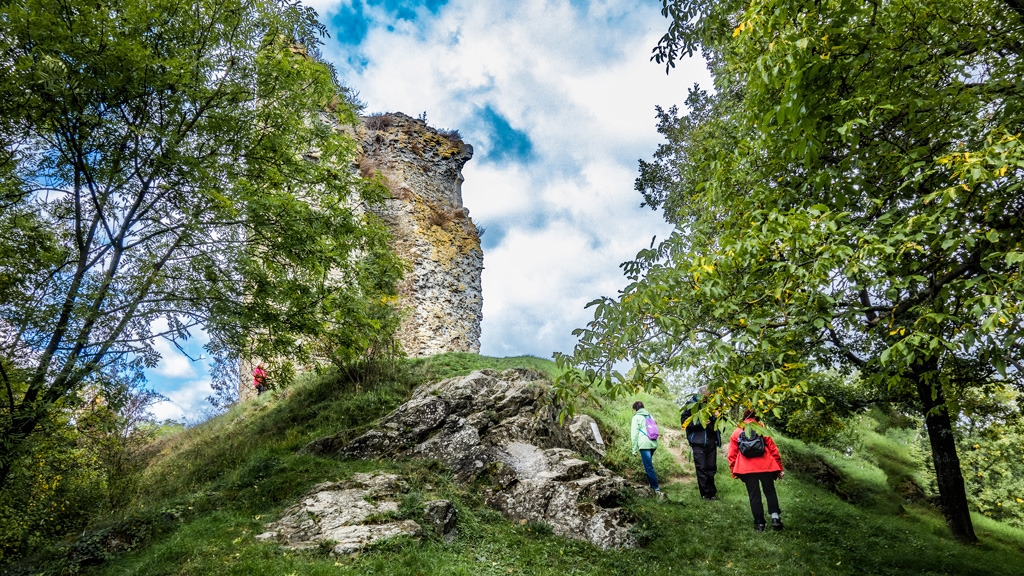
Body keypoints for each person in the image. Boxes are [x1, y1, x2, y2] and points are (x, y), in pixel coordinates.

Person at [727, 408, 785, 532]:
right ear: (756, 418)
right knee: (770, 491)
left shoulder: (737, 432)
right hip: (766, 467)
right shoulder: (762, 430)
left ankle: (760, 524)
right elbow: (774, 449)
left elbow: (732, 454)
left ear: (743, 418)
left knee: (754, 496)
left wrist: (733, 471)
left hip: (747, 469)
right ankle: (775, 518)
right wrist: (779, 468)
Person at [680, 385, 721, 501]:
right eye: (705, 397)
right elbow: (684, 423)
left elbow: (721, 422)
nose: (706, 399)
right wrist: (699, 422)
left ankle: (712, 493)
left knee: (712, 468)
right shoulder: (690, 405)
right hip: (698, 442)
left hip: (712, 440)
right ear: (700, 394)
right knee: (702, 468)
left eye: (708, 397)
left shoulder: (712, 405)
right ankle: (705, 494)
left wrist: (719, 416)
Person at [630, 400, 660, 493]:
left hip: (644, 444)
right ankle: (652, 485)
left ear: (635, 409)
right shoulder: (649, 415)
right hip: (653, 443)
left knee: (648, 467)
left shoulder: (636, 417)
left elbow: (634, 434)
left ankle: (656, 489)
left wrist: (634, 449)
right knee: (649, 465)